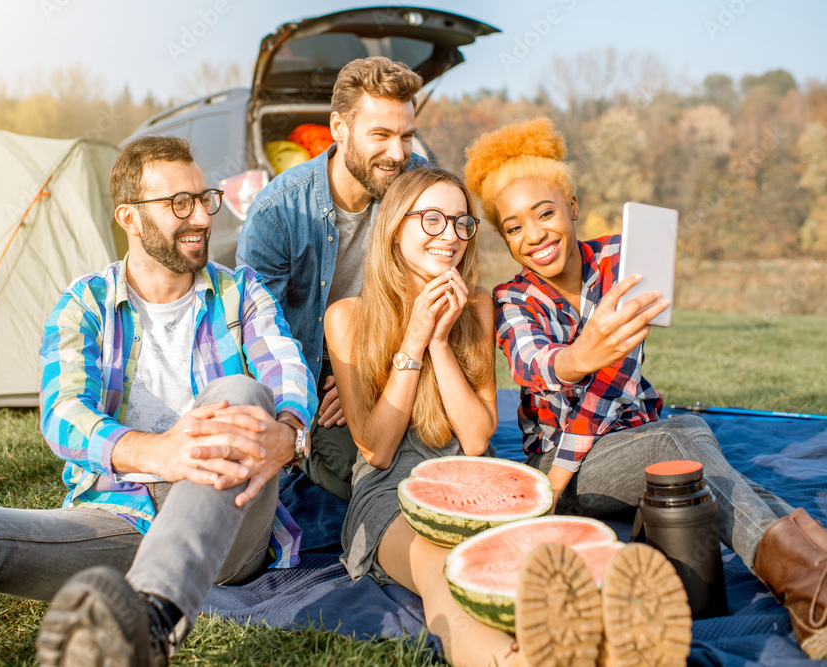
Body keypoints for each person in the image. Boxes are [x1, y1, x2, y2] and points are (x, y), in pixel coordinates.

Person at [0, 136, 317, 667]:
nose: (201, 216)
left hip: (227, 524)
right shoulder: (85, 302)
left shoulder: (241, 292)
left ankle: (150, 616)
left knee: (240, 394)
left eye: (205, 198)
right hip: (117, 518)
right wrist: (160, 453)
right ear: (129, 217)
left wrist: (289, 431)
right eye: (180, 203)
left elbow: (287, 367)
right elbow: (62, 415)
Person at [464, 117, 827, 660]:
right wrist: (558, 473)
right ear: (504, 237)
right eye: (513, 227)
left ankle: (816, 571)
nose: (534, 235)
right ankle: (810, 590)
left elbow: (617, 373)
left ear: (572, 206)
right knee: (679, 438)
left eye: (545, 213)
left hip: (640, 434)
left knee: (688, 447)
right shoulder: (513, 299)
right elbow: (534, 366)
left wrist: (594, 356)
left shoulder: (622, 260)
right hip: (566, 467)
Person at [324, 166, 689, 666]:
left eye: (460, 223)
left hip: (481, 481)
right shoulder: (347, 317)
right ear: (394, 226)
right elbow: (377, 448)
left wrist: (438, 343)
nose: (449, 236)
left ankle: (610, 644)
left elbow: (475, 439)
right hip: (390, 490)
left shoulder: (476, 306)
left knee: (526, 571)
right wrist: (413, 338)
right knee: (444, 575)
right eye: (432, 220)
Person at [237, 56, 429, 500]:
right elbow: (257, 336)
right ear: (339, 128)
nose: (398, 153)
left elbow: (437, 287)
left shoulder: (418, 185)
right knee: (370, 472)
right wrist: (336, 386)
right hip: (311, 374)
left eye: (406, 136)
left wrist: (369, 378)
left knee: (442, 452)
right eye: (380, 135)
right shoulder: (278, 212)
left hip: (396, 356)